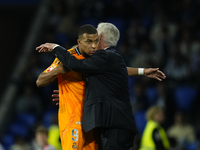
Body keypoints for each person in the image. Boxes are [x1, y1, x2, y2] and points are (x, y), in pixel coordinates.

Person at [36, 23, 166, 150]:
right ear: (79, 42)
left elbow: (113, 69)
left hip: (94, 122)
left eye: (95, 40)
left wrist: (142, 71)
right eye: (89, 41)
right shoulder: (69, 56)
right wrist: (58, 74)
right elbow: (39, 81)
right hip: (74, 120)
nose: (93, 45)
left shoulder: (96, 58)